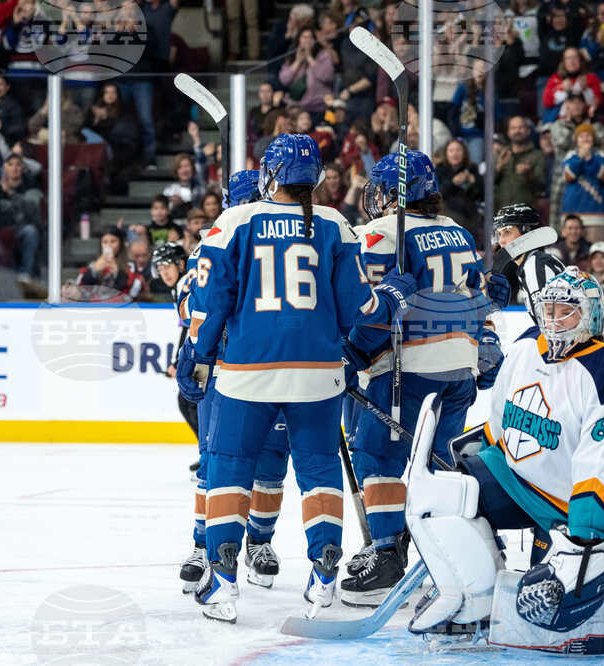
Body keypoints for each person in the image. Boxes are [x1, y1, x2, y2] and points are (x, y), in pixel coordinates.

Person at [179, 135, 416, 622]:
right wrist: (392, 298)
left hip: (248, 373)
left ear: (270, 174)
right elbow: (359, 310)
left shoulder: (234, 221)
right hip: (319, 375)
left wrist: (195, 354)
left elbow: (208, 301)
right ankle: (324, 572)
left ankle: (222, 581)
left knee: (229, 467)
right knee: (319, 471)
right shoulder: (335, 224)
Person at [405, 267, 604, 637]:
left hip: (572, 508)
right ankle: (479, 596)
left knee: (550, 606)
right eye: (548, 310)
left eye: (566, 310)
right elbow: (501, 419)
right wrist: (475, 456)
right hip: (518, 481)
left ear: (592, 315)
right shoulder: (524, 346)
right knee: (451, 495)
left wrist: (585, 539)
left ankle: (587, 572)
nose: (554, 319)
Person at [340, 150, 498, 607]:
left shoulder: (381, 232)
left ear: (393, 193)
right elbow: (478, 297)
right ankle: (445, 553)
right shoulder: (459, 232)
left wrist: (353, 353)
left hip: (407, 369)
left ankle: (387, 555)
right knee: (438, 464)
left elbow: (370, 309)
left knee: (377, 457)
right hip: (458, 368)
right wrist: (485, 350)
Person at [175, 169, 293, 595]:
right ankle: (203, 545)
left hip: (272, 366)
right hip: (225, 370)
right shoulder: (215, 241)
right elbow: (188, 303)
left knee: (272, 461)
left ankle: (260, 544)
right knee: (214, 460)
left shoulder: (287, 238)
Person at [490, 203, 564, 322]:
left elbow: (552, 323)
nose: (501, 241)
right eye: (499, 234)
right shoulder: (530, 263)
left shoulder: (536, 264)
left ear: (528, 233)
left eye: (507, 232)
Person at [0, 153, 42, 282]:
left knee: (31, 231)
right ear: (4, 168)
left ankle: (25, 274)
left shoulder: (31, 187)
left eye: (18, 165)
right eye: (10, 164)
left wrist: (11, 193)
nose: (15, 168)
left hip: (20, 229)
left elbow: (30, 211)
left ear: (23, 168)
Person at [560, 123, 604, 243]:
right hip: (572, 212)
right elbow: (568, 176)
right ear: (576, 140)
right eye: (581, 136)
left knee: (597, 248)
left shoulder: (601, 155)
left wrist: (589, 159)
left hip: (597, 215)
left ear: (594, 139)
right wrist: (580, 158)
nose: (585, 138)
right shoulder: (570, 155)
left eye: (588, 135)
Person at [72, 226, 145, 302]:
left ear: (121, 243)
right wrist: (93, 271)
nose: (109, 245)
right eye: (105, 242)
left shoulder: (130, 265)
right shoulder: (93, 264)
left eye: (113, 241)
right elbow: (81, 288)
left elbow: (132, 291)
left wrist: (117, 273)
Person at [435, 139, 482, 241]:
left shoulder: (472, 168)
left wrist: (473, 181)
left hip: (471, 217)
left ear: (464, 153)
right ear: (446, 153)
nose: (455, 154)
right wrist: (453, 183)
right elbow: (438, 194)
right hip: (448, 217)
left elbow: (482, 195)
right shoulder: (440, 169)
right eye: (451, 150)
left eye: (458, 150)